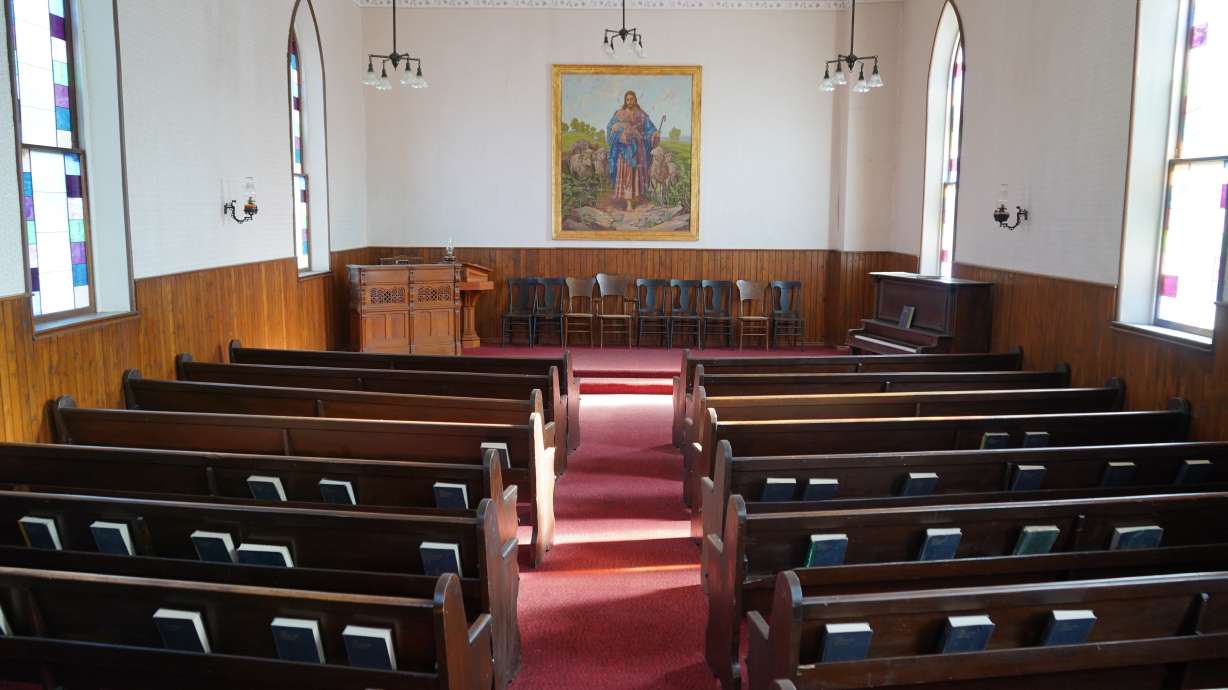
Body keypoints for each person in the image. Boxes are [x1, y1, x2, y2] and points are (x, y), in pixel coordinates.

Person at [605, 90, 660, 212]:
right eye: (627, 99)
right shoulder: (619, 114)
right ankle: (628, 202)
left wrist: (654, 134)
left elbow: (650, 129)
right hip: (624, 150)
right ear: (625, 101)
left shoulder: (641, 115)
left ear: (635, 100)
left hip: (638, 150)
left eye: (632, 99)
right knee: (627, 174)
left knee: (636, 174)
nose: (630, 101)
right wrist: (620, 137)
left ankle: (635, 198)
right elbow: (610, 129)